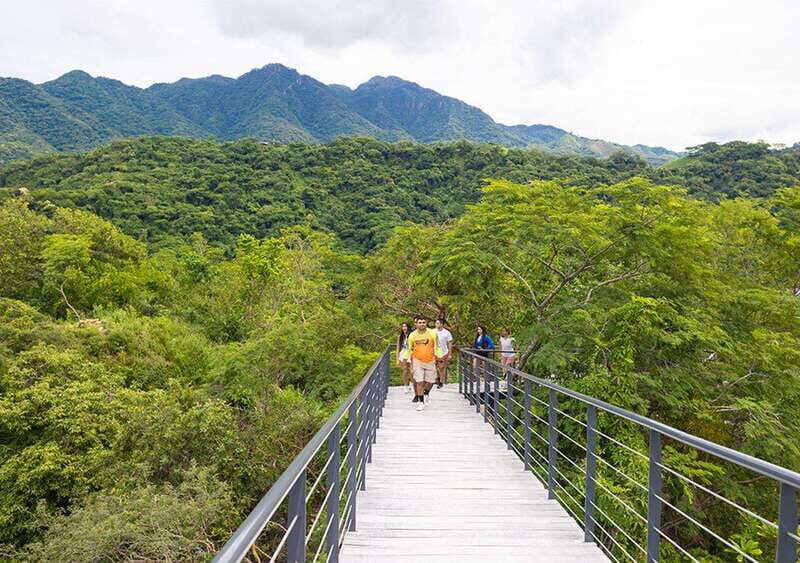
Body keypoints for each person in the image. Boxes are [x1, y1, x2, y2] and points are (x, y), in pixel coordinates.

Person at [407, 316, 441, 411]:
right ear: (416, 324)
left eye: (423, 322)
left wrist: (439, 357)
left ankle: (426, 393)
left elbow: (438, 346)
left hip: (430, 360)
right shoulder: (412, 335)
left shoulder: (433, 333)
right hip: (417, 360)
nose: (422, 324)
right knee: (419, 381)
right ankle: (421, 402)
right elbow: (409, 349)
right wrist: (410, 362)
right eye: (420, 322)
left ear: (426, 323)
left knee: (431, 381)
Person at [434, 318, 453, 388]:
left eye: (438, 323)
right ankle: (438, 379)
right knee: (435, 367)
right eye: (436, 323)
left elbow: (450, 343)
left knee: (442, 367)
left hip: (444, 352)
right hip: (434, 352)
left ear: (442, 324)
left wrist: (450, 354)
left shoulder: (447, 333)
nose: (436, 324)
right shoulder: (433, 331)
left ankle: (441, 382)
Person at [396, 321, 413, 393]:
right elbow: (398, 348)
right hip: (403, 353)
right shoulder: (400, 337)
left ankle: (411, 384)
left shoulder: (412, 335)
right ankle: (405, 385)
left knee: (412, 371)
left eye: (405, 326)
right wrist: (397, 359)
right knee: (405, 370)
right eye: (403, 326)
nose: (404, 328)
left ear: (408, 327)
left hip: (411, 353)